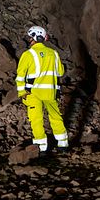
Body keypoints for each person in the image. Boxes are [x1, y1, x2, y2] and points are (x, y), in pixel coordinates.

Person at [16, 26, 68, 155]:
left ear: (33, 37)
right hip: (50, 92)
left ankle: (41, 147)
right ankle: (63, 144)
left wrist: (21, 92)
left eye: (29, 37)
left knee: (36, 119)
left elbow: (20, 76)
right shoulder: (54, 53)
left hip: (33, 93)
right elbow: (60, 72)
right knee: (56, 117)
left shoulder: (28, 54)